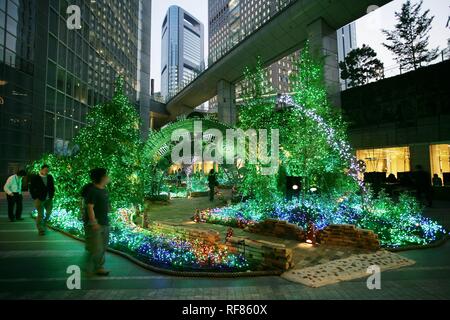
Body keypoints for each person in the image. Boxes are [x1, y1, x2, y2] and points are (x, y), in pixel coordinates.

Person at [83, 168, 111, 277]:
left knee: (103, 246)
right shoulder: (93, 191)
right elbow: (90, 207)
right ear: (102, 177)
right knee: (97, 247)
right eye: (106, 175)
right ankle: (93, 267)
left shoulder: (104, 190)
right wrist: (94, 222)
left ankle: (98, 267)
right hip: (96, 224)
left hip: (105, 222)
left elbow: (105, 204)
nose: (108, 177)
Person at [30, 165, 55, 235]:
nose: (47, 171)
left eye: (48, 170)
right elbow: (31, 188)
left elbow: (52, 187)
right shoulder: (35, 177)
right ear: (41, 170)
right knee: (40, 214)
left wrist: (51, 195)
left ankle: (43, 224)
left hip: (48, 199)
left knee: (49, 213)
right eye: (45, 170)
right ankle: (40, 229)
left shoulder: (50, 177)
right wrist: (35, 197)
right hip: (39, 199)